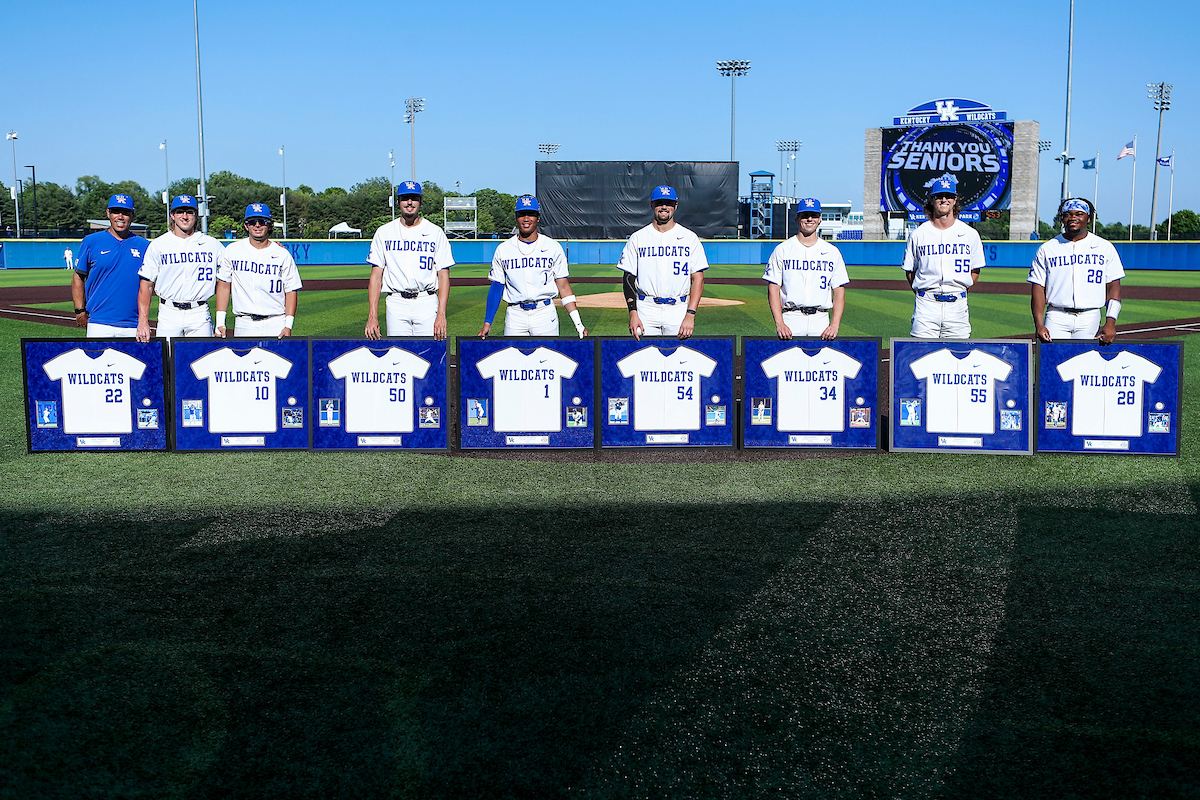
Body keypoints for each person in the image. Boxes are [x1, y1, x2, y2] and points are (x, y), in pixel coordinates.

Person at [478, 195, 586, 338]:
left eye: (531, 214)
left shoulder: (552, 247)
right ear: (516, 217)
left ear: (538, 217)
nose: (526, 218)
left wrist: (578, 323)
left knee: (547, 359)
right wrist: (487, 323)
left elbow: (564, 287)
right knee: (514, 358)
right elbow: (497, 287)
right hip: (515, 315)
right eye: (522, 214)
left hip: (545, 314)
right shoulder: (503, 250)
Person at [365, 180, 453, 340]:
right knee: (398, 358)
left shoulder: (435, 232)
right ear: (398, 201)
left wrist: (441, 314)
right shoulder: (384, 232)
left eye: (414, 198)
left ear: (420, 201)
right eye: (405, 198)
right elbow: (376, 276)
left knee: (430, 355)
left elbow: (444, 275)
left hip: (426, 301)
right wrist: (372, 316)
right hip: (396, 302)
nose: (410, 202)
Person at [618, 185, 708, 340]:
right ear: (652, 205)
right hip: (646, 308)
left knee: (678, 360)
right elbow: (628, 278)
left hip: (678, 309)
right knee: (646, 360)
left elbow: (698, 278)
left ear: (676, 206)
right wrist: (633, 313)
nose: (664, 207)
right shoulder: (638, 238)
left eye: (669, 203)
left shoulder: (689, 237)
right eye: (660, 203)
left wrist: (690, 314)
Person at [1028, 197, 1124, 345]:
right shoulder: (1048, 248)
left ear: (1089, 218)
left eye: (1079, 214)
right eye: (1068, 214)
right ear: (1062, 219)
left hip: (1089, 316)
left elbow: (1114, 288)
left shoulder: (1105, 247)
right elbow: (1038, 288)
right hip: (1056, 315)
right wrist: (1039, 324)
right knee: (1052, 363)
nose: (1073, 218)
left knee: (1083, 364)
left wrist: (1110, 322)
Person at [901, 174, 984, 338]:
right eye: (939, 196)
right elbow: (910, 271)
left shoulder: (970, 234)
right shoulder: (919, 234)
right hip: (926, 305)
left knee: (957, 358)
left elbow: (975, 271)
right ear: (932, 200)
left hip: (958, 306)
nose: (944, 199)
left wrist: (959, 290)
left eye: (949, 196)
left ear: (954, 200)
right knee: (921, 356)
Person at [136, 195, 225, 342]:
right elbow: (146, 284)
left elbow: (233, 265)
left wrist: (273, 248)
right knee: (168, 360)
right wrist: (143, 321)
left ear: (196, 215)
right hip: (168, 312)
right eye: (180, 212)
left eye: (189, 212)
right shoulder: (159, 244)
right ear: (172, 215)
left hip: (199, 312)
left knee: (200, 360)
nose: (185, 216)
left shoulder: (211, 244)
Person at [763, 198, 849, 340]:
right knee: (790, 362)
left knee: (822, 362)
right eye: (805, 215)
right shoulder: (783, 250)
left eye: (814, 215)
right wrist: (780, 323)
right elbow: (773, 288)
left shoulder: (832, 252)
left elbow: (839, 290)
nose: (810, 219)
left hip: (820, 319)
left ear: (820, 219)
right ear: (797, 218)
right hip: (791, 318)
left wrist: (834, 325)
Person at [214, 203, 302, 338]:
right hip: (244, 323)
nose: (257, 225)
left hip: (276, 322)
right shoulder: (233, 250)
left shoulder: (282, 254)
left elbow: (290, 290)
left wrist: (288, 325)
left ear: (269, 225)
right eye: (252, 222)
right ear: (245, 225)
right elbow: (224, 285)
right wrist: (220, 322)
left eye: (262, 221)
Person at [72, 194, 148, 338]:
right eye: (116, 212)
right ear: (108, 213)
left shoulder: (144, 246)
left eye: (125, 213)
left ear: (132, 215)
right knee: (96, 360)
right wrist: (79, 310)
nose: (120, 216)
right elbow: (78, 277)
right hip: (99, 322)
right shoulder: (91, 241)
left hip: (133, 324)